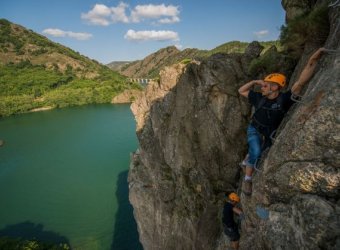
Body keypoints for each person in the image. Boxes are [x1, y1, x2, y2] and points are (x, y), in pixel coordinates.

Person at [238, 47, 325, 195]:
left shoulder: (284, 99)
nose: (262, 87)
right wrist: (254, 82)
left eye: (265, 85)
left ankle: (247, 159)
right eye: (263, 85)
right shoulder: (259, 97)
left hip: (268, 132)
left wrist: (312, 60)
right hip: (254, 129)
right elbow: (241, 91)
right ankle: (247, 179)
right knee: (257, 152)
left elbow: (301, 82)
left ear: (275, 87)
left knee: (259, 151)